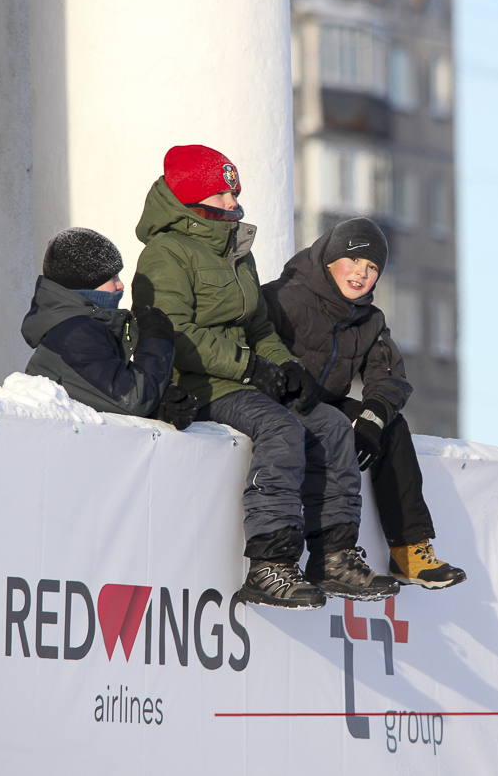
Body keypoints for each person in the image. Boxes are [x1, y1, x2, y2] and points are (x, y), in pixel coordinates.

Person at [131, 145, 399, 609]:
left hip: (243, 376)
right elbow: (173, 332)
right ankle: (270, 563)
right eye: (222, 194)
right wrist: (250, 365)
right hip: (195, 382)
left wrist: (287, 366)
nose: (234, 203)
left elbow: (258, 327)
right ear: (192, 197)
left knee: (332, 424)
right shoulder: (166, 253)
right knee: (281, 427)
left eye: (235, 192)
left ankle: (334, 555)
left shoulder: (237, 250)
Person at [262, 217, 467, 590]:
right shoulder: (283, 297)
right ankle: (325, 555)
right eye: (354, 259)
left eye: (372, 267)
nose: (362, 273)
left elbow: (390, 377)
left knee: (392, 426)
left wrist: (371, 420)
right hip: (277, 404)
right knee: (330, 422)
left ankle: (408, 550)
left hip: (325, 404)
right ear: (329, 260)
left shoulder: (370, 320)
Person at [22, 227, 197, 427]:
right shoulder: (75, 333)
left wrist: (160, 406)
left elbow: (99, 395)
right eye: (112, 278)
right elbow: (132, 399)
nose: (120, 285)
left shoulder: (80, 327)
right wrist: (156, 338)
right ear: (87, 282)